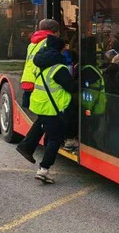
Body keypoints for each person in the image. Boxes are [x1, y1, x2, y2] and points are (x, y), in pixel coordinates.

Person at [15, 32, 75, 184]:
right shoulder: (59, 68)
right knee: (55, 139)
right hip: (53, 108)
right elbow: (71, 87)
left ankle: (26, 147)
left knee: (41, 126)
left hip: (41, 104)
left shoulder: (42, 65)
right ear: (59, 50)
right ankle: (44, 169)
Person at [20, 19, 60, 108]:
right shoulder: (49, 43)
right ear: (56, 32)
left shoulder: (32, 44)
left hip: (28, 79)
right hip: (38, 80)